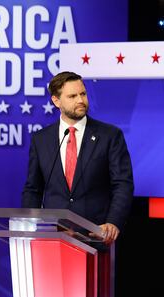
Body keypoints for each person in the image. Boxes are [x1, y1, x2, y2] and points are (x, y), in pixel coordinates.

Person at [22, 71, 134, 244]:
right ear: (56, 101)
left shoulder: (110, 136)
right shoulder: (41, 139)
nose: (81, 100)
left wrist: (112, 223)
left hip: (96, 237)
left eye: (83, 94)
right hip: (53, 239)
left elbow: (122, 184)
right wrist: (28, 226)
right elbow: (33, 189)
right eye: (72, 96)